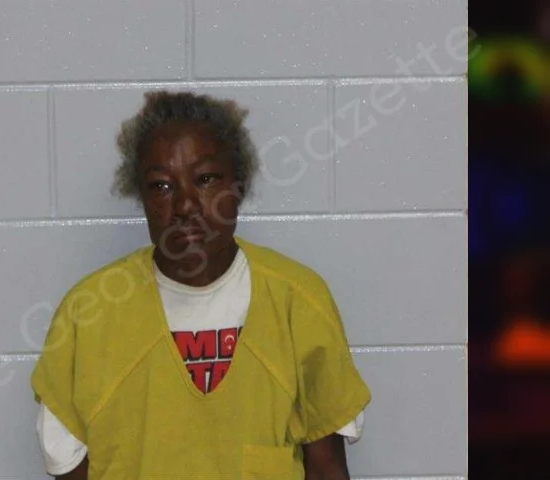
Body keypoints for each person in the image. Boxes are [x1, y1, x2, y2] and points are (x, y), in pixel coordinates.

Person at [31, 90, 371, 480]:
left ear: (239, 185)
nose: (185, 205)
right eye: (162, 186)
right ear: (140, 195)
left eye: (206, 179)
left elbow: (327, 468)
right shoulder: (87, 314)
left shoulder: (298, 301)